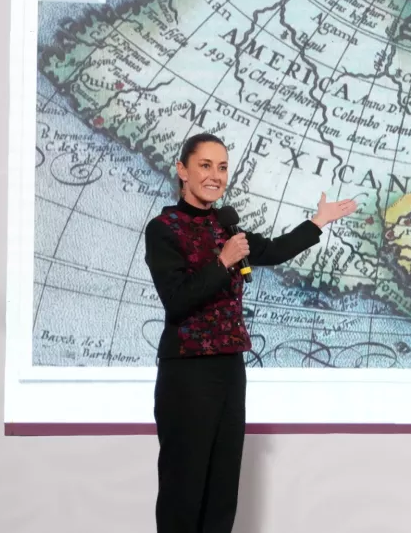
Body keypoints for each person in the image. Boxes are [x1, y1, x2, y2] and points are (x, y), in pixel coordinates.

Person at [142, 132, 357, 533]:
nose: (215, 175)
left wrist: (317, 222)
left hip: (229, 369)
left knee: (222, 490)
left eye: (222, 167)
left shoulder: (227, 228)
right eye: (205, 165)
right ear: (182, 170)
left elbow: (273, 251)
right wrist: (223, 261)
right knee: (183, 489)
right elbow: (177, 299)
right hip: (187, 372)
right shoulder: (164, 228)